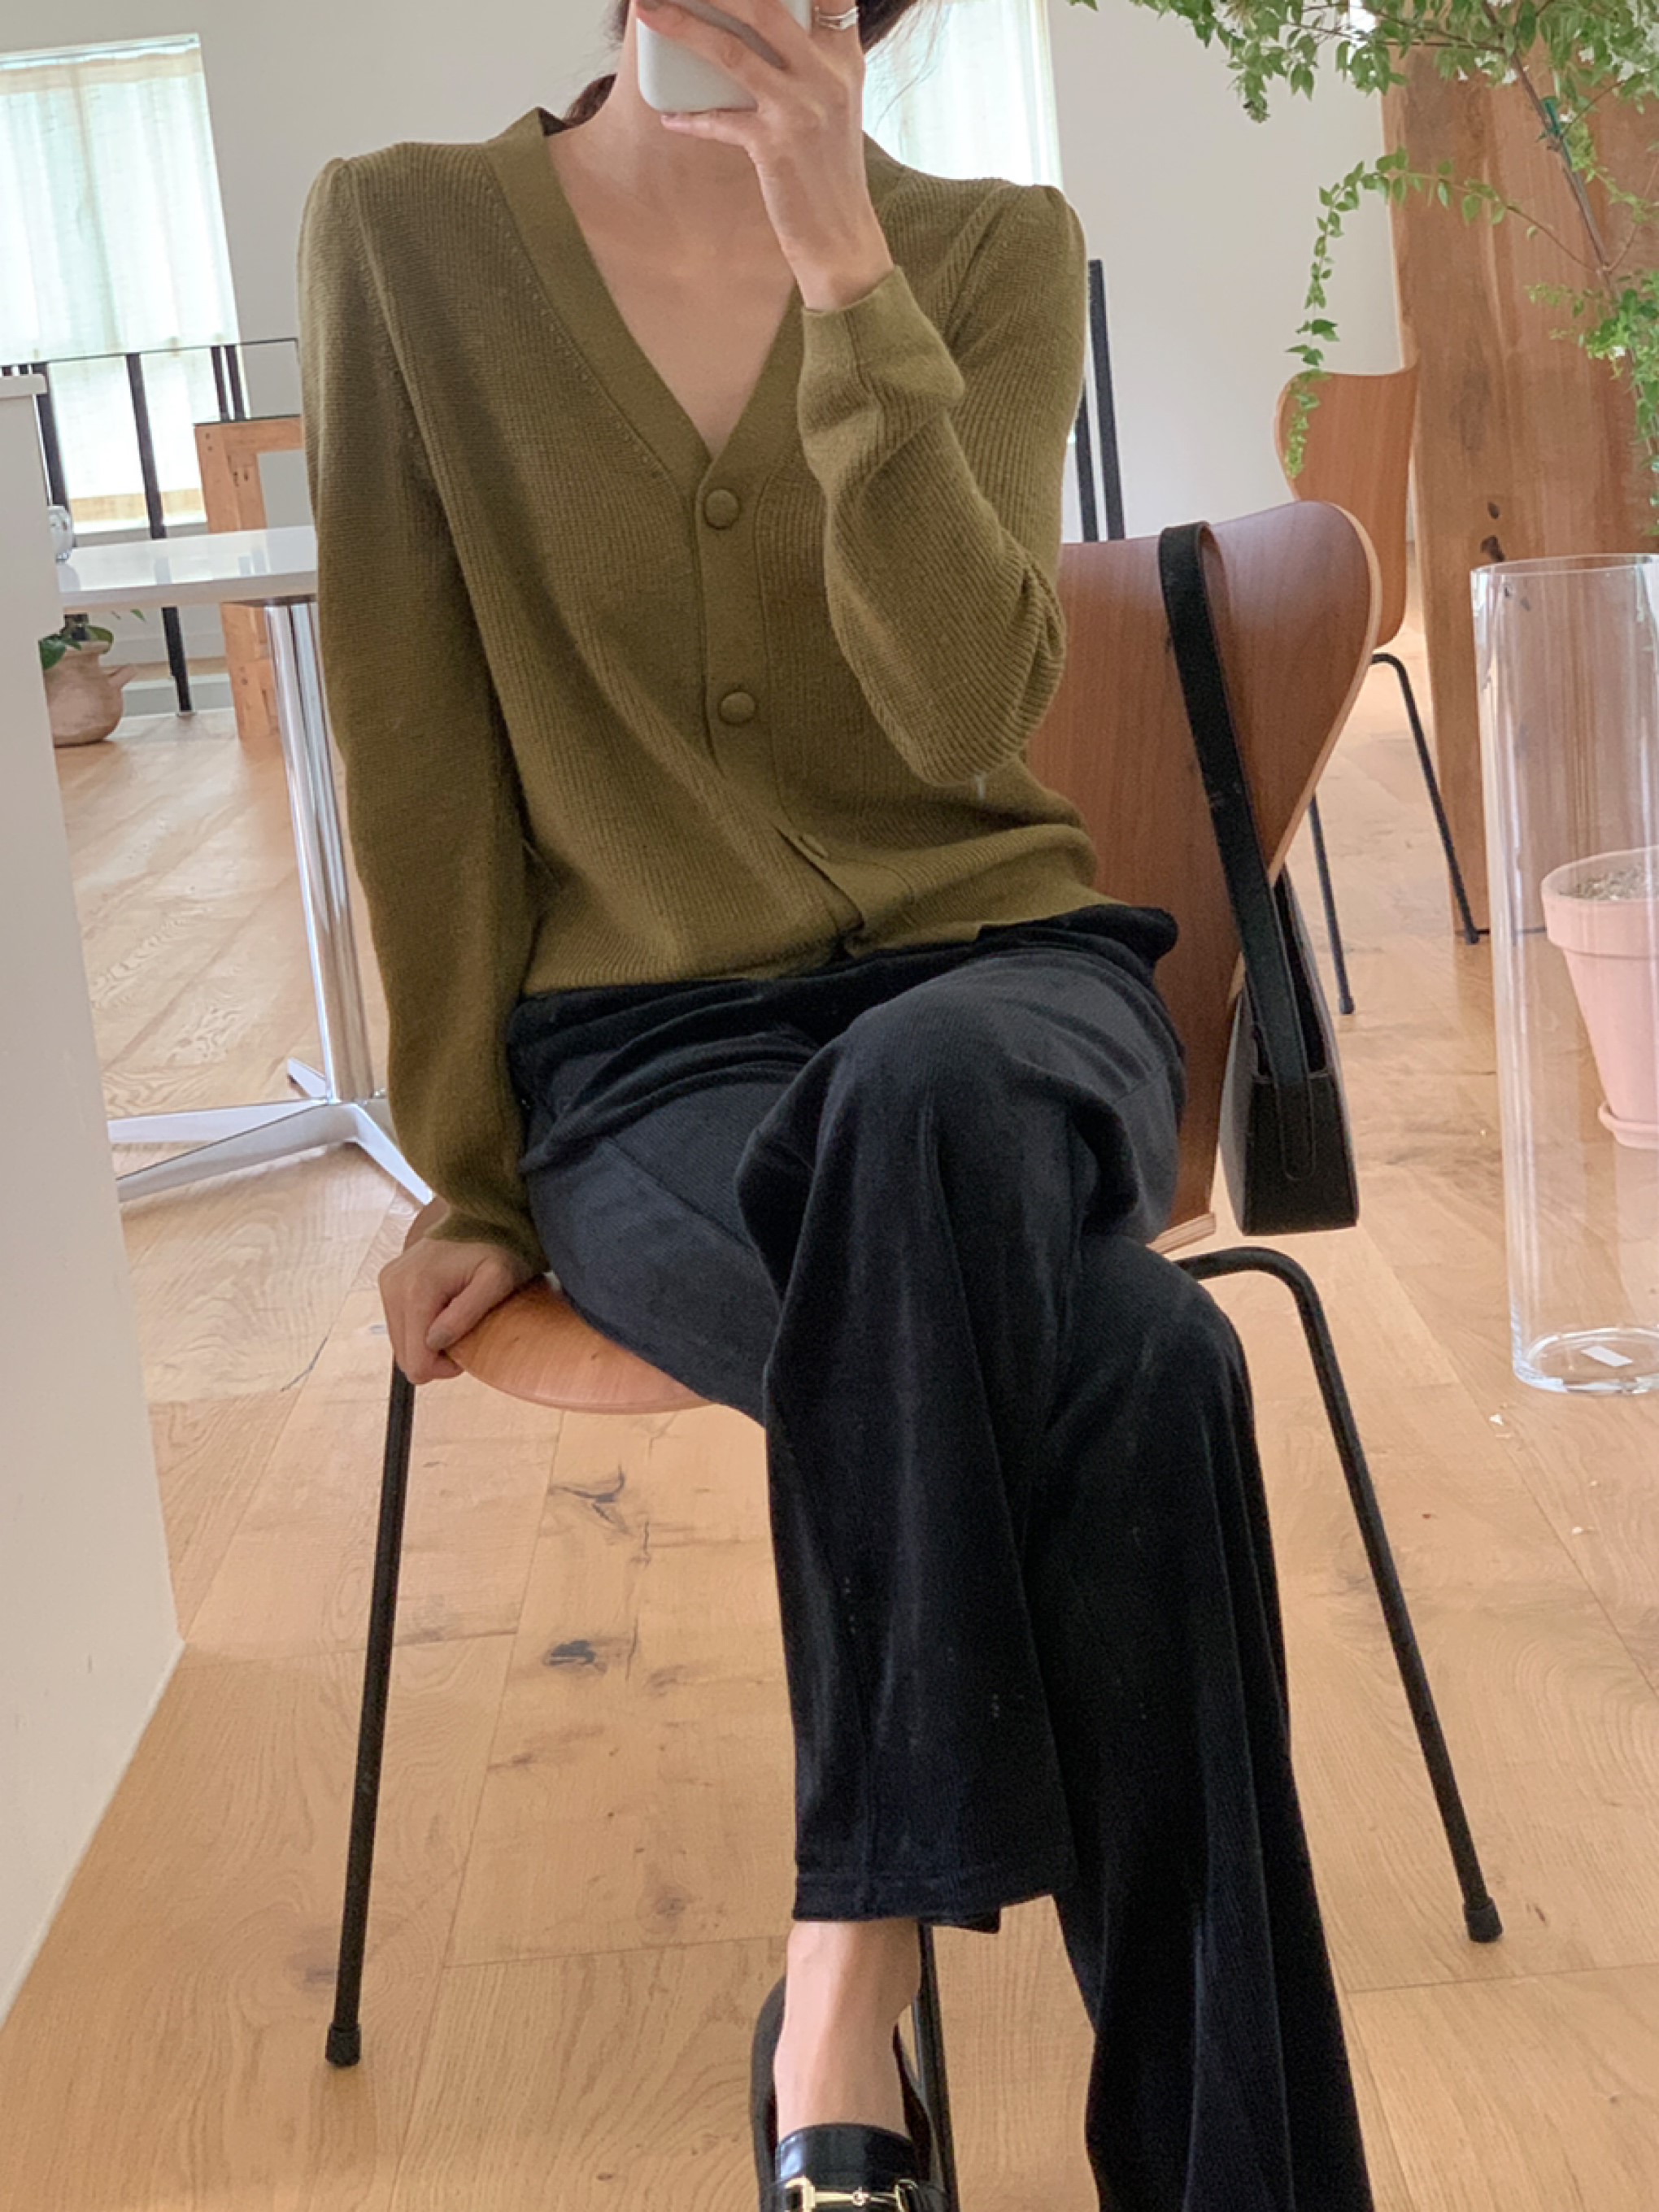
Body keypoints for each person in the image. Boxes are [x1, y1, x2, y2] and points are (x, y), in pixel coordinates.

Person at [297, 2, 1376, 2205]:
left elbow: (975, 699)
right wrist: (471, 1171)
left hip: (1010, 993)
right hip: (650, 1066)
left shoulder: (980, 250)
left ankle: (839, 1993)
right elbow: (413, 739)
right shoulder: (406, 241)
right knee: (1146, 1378)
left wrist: (840, 268)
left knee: (919, 1086)